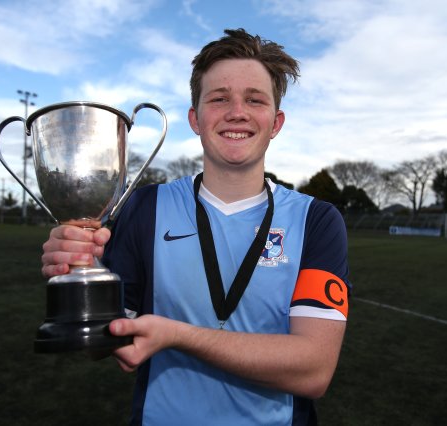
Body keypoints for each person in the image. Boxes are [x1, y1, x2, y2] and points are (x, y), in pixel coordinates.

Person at [41, 28, 350, 426]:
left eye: (254, 99)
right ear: (195, 118)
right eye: (219, 98)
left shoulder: (316, 220)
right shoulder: (146, 207)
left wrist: (178, 335)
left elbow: (314, 370)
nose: (237, 112)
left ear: (276, 122)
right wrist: (78, 273)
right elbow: (105, 342)